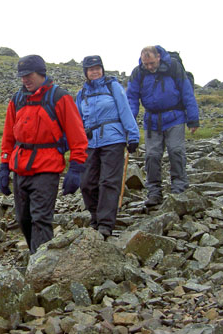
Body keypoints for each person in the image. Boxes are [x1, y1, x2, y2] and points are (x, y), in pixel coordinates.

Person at [0, 55, 88, 254]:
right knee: (23, 219)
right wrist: (4, 166)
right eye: (22, 76)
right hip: (20, 168)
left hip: (47, 168)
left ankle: (40, 268)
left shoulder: (59, 98)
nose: (25, 80)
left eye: (28, 75)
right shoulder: (17, 99)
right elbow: (8, 136)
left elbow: (77, 136)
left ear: (41, 73)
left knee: (41, 219)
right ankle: (37, 259)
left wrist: (76, 167)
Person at [75, 55, 140, 237]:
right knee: (87, 183)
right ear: (86, 72)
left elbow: (125, 110)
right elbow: (77, 120)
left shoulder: (113, 87)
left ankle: (105, 224)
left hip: (114, 140)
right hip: (90, 142)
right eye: (90, 69)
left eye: (97, 68)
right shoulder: (82, 94)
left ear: (102, 69)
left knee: (108, 182)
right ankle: (95, 216)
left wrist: (132, 135)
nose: (94, 71)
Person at [126, 46, 199, 207]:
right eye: (146, 64)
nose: (150, 67)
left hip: (175, 117)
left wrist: (193, 119)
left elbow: (187, 92)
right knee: (152, 155)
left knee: (176, 151)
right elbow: (131, 98)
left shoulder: (173, 67)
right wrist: (129, 123)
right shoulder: (138, 73)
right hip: (152, 119)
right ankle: (154, 193)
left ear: (158, 56)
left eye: (152, 63)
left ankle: (179, 189)